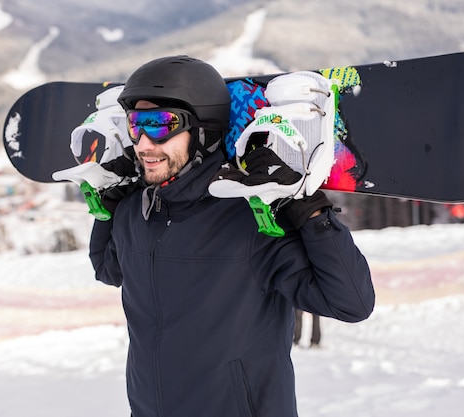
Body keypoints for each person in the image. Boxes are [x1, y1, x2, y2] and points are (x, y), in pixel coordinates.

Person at [89, 55, 374, 417]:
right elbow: (107, 268)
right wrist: (107, 209)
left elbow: (351, 302)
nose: (143, 144)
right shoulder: (136, 211)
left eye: (160, 125)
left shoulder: (252, 218)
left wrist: (310, 210)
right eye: (135, 125)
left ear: (203, 132)